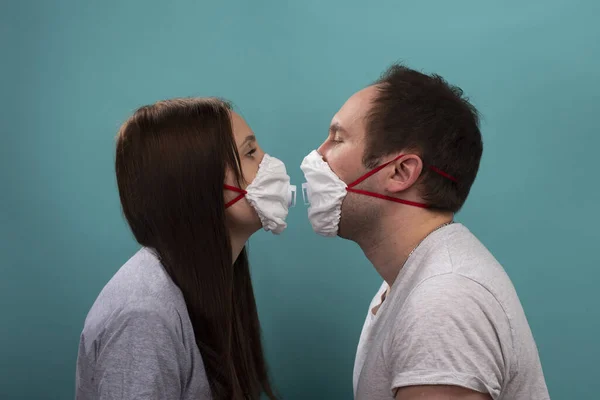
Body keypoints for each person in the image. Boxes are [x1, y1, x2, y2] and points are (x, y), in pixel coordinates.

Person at [301, 65, 550, 399]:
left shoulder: (443, 302)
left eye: (337, 138)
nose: (318, 155)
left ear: (401, 171)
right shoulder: (406, 283)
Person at [76, 98, 295, 400]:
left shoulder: (209, 281)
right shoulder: (143, 317)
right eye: (250, 152)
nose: (268, 163)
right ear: (198, 183)